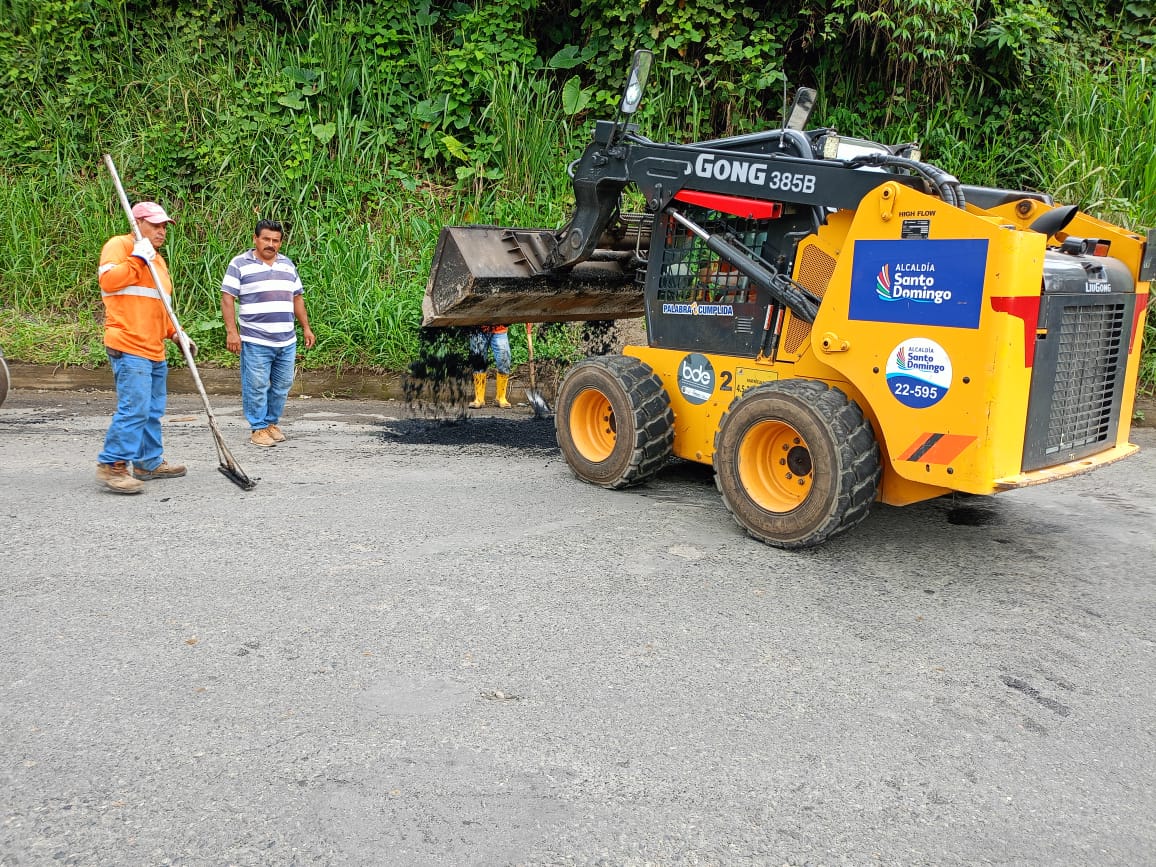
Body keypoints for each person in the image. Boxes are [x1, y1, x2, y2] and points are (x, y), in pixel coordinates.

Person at [95, 201, 190, 495]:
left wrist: (176, 333)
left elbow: (161, 306)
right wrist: (137, 257)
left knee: (151, 410)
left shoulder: (158, 260)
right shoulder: (120, 246)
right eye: (155, 225)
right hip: (129, 344)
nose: (161, 231)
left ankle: (148, 462)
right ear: (137, 224)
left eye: (164, 226)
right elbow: (108, 282)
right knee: (134, 409)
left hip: (154, 347)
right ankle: (113, 465)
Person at [221, 219, 315, 447]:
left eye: (276, 240)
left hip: (286, 339)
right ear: (255, 239)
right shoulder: (239, 264)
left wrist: (306, 327)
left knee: (282, 386)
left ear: (281, 243)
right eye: (266, 239)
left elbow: (297, 298)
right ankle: (258, 427)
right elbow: (227, 298)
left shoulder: (287, 265)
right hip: (255, 339)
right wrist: (232, 332)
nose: (271, 244)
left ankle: (271, 423)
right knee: (256, 386)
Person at [468, 325, 511, 409]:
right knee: (478, 362)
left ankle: (501, 397)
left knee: (504, 360)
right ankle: (479, 398)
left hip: (499, 328)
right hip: (478, 328)